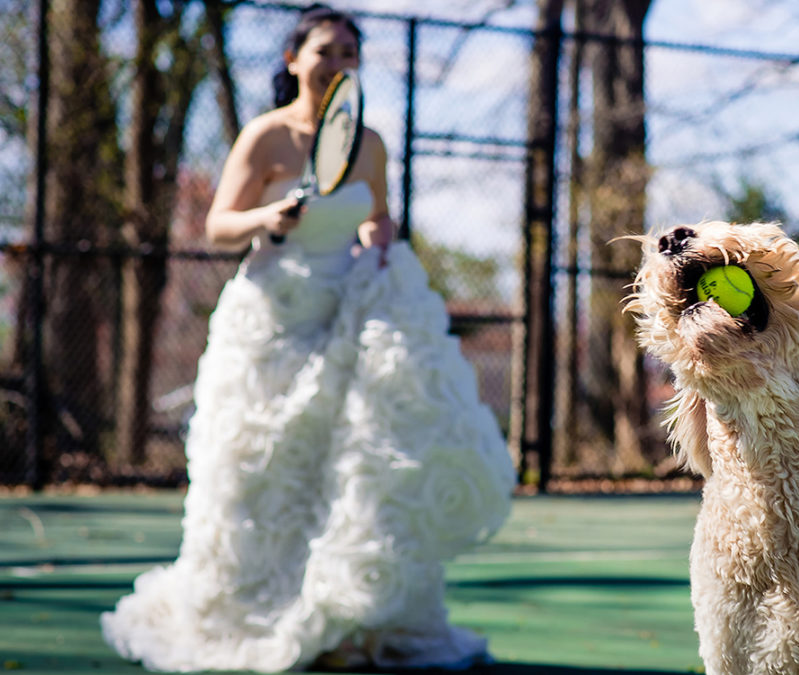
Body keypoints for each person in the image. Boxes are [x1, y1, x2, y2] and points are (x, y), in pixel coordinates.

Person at [101, 5, 515, 672]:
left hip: (346, 321)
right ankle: (247, 613)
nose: (337, 62)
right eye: (326, 49)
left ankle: (340, 617)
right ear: (294, 59)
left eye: (350, 52)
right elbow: (218, 228)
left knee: (345, 465)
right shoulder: (265, 137)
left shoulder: (370, 143)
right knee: (262, 470)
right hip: (271, 321)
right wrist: (271, 215)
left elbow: (377, 217)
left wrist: (378, 243)